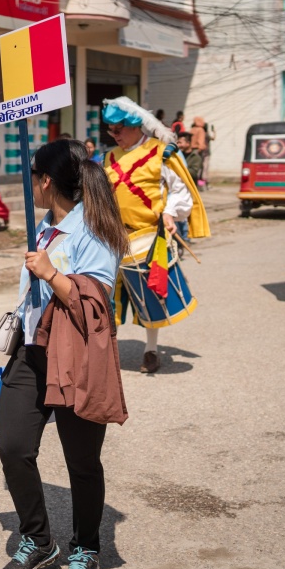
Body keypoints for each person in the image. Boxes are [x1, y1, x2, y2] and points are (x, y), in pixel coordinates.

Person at [0, 138, 128, 569]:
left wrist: (51, 274)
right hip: (31, 354)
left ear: (45, 181)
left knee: (82, 463)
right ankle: (38, 539)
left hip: (77, 359)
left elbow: (95, 306)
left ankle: (86, 547)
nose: (30, 185)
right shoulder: (43, 228)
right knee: (13, 446)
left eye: (33, 177)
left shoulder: (96, 231)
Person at [102, 97, 209, 373]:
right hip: (114, 237)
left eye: (118, 129)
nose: (114, 135)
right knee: (105, 296)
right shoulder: (109, 157)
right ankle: (105, 351)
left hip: (150, 236)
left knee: (152, 293)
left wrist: (170, 212)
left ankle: (150, 349)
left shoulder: (161, 153)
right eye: (110, 130)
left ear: (135, 125)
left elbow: (181, 190)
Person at [190, 116, 215, 189]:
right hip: (199, 151)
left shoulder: (192, 129)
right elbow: (201, 142)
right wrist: (200, 149)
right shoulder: (201, 130)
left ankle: (194, 183)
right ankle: (201, 185)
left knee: (194, 168)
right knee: (202, 168)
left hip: (191, 150)